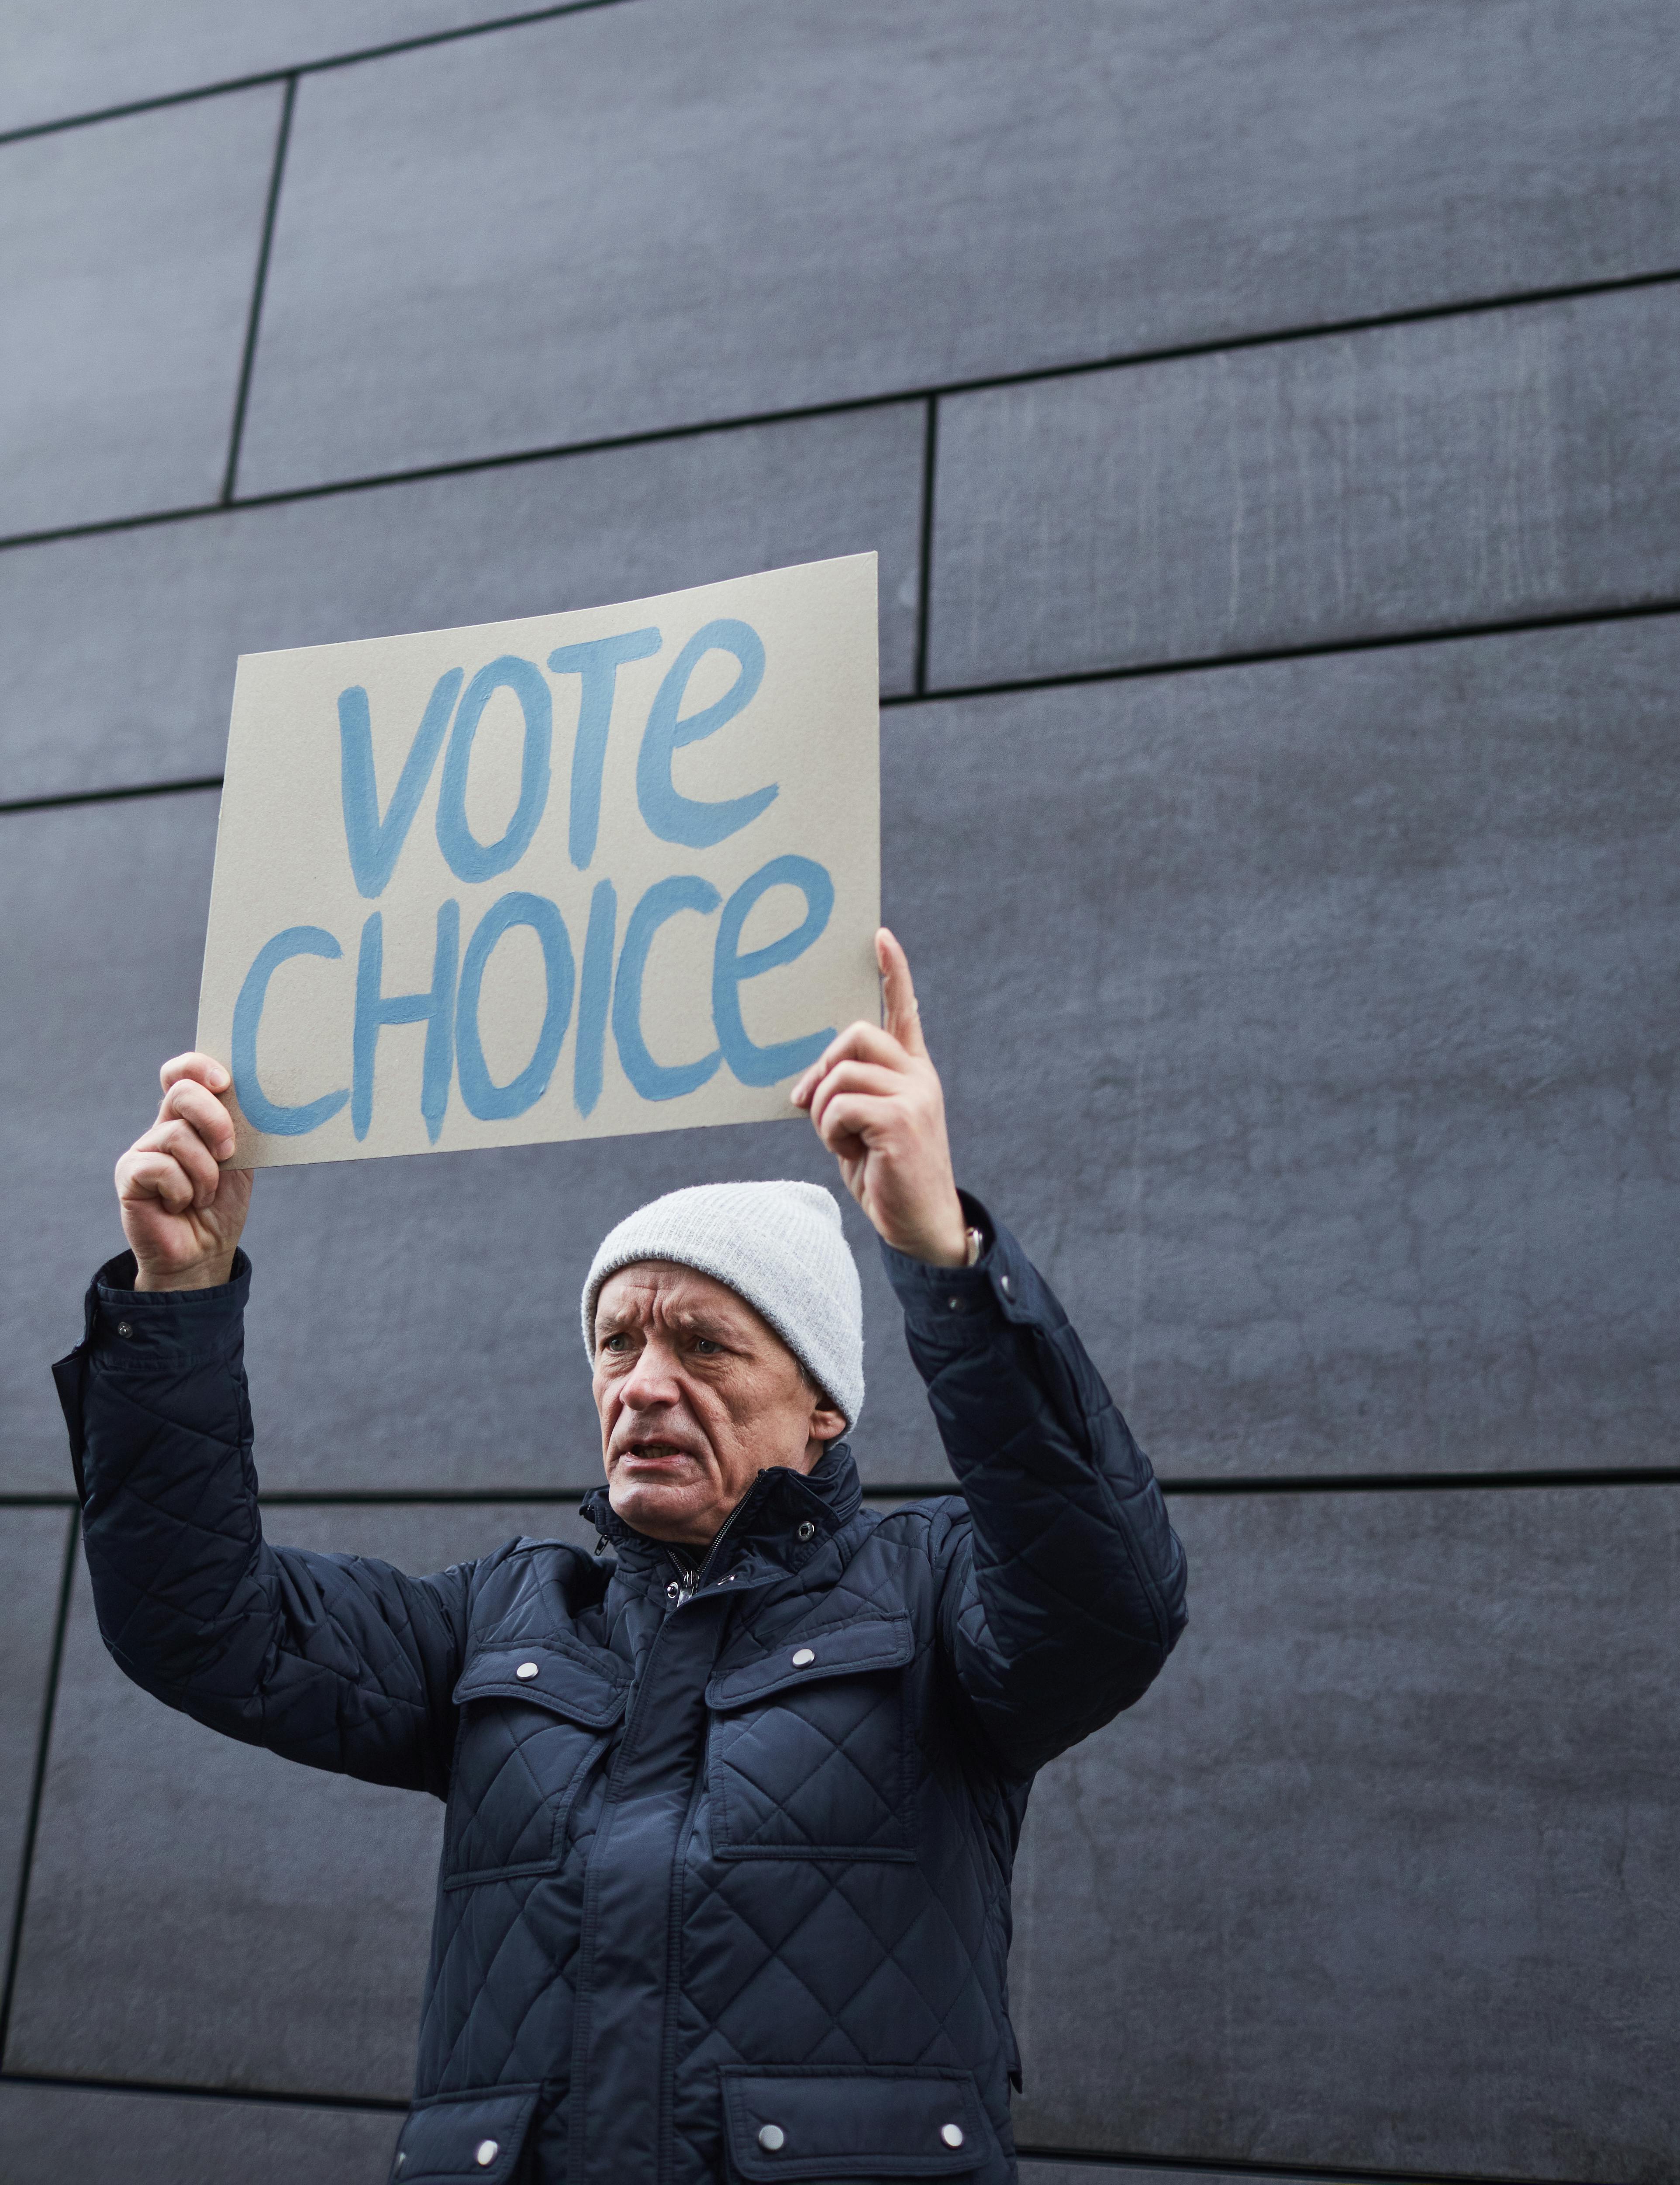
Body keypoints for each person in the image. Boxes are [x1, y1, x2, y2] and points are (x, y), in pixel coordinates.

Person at [57, 928, 1187, 2185]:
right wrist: (181, 1297)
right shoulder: (504, 1622)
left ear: (823, 1405)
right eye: (615, 1343)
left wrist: (945, 1262)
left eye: (703, 1346)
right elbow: (197, 1621)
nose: (644, 1385)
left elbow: (1108, 1600)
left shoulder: (932, 1601)